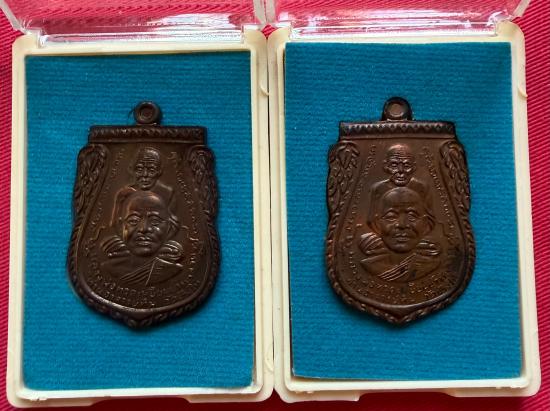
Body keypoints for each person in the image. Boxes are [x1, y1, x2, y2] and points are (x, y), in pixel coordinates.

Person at [101, 190, 184, 287]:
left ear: (169, 227)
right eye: (133, 221)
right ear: (121, 226)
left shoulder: (171, 270)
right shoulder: (108, 268)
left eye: (154, 221)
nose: (143, 229)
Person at [359, 185, 441, 282]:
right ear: (377, 224)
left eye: (412, 216)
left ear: (425, 223)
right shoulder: (369, 265)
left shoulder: (431, 264)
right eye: (391, 216)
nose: (402, 224)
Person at [110, 147, 174, 227]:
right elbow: (114, 225)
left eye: (151, 170)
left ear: (159, 171)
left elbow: (171, 224)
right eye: (139, 170)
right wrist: (118, 202)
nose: (145, 174)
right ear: (131, 170)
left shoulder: (167, 193)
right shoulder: (125, 194)